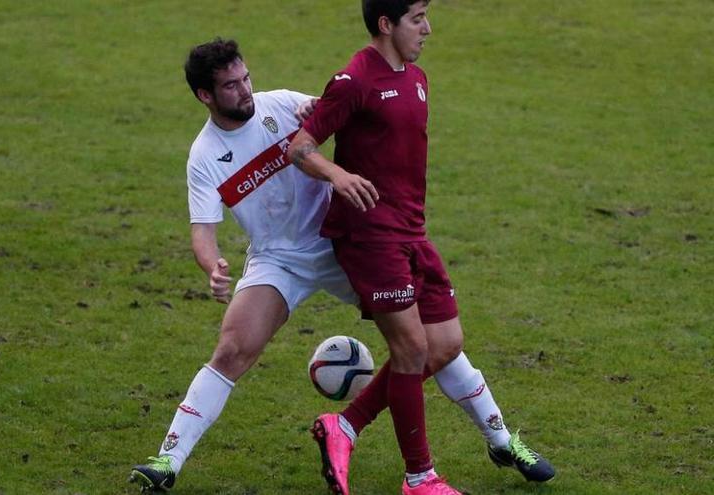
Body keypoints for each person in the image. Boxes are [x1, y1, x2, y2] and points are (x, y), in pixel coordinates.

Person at [131, 35, 552, 494]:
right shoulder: (205, 156)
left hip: (343, 241)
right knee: (233, 348)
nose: (246, 90)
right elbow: (202, 232)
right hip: (279, 261)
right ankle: (168, 460)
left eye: (246, 78)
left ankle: (501, 438)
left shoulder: (282, 106)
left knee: (428, 337)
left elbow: (338, 108)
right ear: (204, 96)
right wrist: (212, 266)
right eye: (231, 86)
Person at [287, 1, 555, 494]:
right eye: (417, 19)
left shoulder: (417, 78)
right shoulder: (354, 80)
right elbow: (299, 146)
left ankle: (343, 426)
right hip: (369, 236)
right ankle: (420, 479)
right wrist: (339, 175)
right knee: (411, 350)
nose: (428, 29)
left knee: (446, 344)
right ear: (386, 24)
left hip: (413, 232)